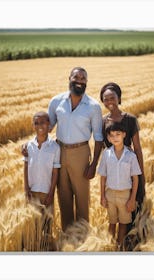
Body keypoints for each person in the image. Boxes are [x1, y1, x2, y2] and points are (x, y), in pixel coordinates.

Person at [47, 67, 103, 231]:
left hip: (81, 152)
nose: (79, 80)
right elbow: (47, 127)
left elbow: (98, 138)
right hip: (59, 151)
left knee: (82, 196)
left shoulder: (93, 106)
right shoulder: (56, 101)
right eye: (76, 77)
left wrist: (93, 165)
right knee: (63, 195)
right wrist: (31, 144)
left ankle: (83, 234)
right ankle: (67, 234)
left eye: (83, 78)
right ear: (69, 78)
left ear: (86, 82)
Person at [99, 82, 145, 232]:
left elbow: (137, 148)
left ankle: (129, 242)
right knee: (112, 214)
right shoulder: (103, 121)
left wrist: (140, 173)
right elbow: (100, 145)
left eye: (112, 97)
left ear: (119, 98)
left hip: (128, 166)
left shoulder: (131, 120)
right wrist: (94, 164)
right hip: (112, 167)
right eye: (105, 99)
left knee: (130, 208)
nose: (109, 102)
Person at [98, 122, 142, 250]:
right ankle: (109, 246)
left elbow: (135, 179)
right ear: (108, 138)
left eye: (118, 134)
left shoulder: (131, 156)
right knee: (111, 222)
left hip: (125, 195)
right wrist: (102, 196)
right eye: (112, 135)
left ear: (124, 135)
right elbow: (103, 177)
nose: (115, 137)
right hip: (110, 194)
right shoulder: (106, 154)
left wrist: (132, 199)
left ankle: (119, 247)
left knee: (123, 223)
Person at [23, 111, 61, 244]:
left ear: (49, 125)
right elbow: (26, 167)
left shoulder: (55, 147)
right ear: (33, 125)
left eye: (43, 122)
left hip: (46, 191)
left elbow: (55, 172)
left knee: (47, 222)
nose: (40, 125)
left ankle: (45, 246)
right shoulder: (29, 146)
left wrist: (51, 192)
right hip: (32, 190)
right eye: (36, 123)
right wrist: (26, 188)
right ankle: (34, 245)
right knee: (32, 221)